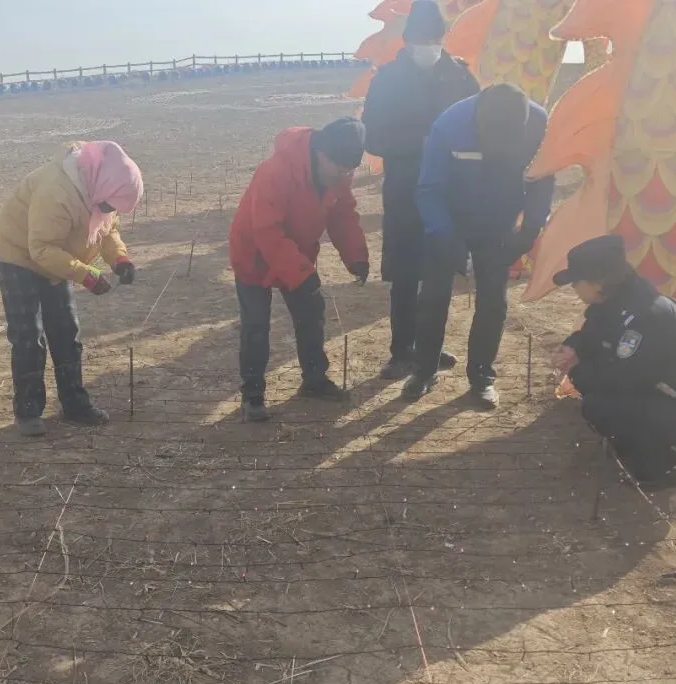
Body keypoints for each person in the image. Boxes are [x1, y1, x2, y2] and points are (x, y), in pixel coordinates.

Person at [403, 82, 557, 409]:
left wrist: (530, 229)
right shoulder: (449, 125)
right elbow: (430, 189)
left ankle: (481, 377)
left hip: (498, 220)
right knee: (433, 297)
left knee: (493, 302)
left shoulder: (539, 124)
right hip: (449, 217)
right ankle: (424, 370)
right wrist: (445, 236)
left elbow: (542, 180)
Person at [0, 140, 143, 436]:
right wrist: (87, 275)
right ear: (102, 188)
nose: (110, 209)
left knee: (66, 332)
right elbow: (41, 248)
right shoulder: (57, 191)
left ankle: (75, 404)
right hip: (18, 254)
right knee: (29, 336)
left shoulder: (101, 188)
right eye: (110, 204)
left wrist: (120, 259)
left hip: (56, 257)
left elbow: (107, 228)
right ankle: (28, 411)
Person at [552, 235, 676, 491]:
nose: (573, 288)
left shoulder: (647, 317)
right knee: (602, 396)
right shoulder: (619, 298)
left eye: (576, 282)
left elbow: (624, 380)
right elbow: (594, 332)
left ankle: (665, 469)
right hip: (673, 394)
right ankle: (635, 444)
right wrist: (574, 347)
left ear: (599, 282)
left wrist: (577, 372)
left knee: (600, 406)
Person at [361, 0, 480, 381]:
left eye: (434, 40)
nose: (428, 47)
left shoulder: (461, 76)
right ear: (408, 40)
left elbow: (478, 125)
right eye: (421, 40)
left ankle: (430, 347)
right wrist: (421, 142)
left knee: (439, 274)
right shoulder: (387, 80)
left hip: (449, 192)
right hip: (404, 191)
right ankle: (401, 351)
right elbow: (373, 138)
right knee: (405, 274)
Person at [229, 117, 370, 422]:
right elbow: (266, 231)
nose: (343, 175)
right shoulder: (275, 172)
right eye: (339, 168)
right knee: (256, 325)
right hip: (254, 253)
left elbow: (343, 215)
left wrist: (356, 255)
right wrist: (300, 274)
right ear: (321, 153)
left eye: (349, 170)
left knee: (311, 310)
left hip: (297, 252)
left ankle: (314, 380)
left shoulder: (338, 175)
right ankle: (252, 395)